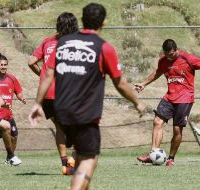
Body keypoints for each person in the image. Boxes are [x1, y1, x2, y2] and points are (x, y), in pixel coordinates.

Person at [29, 3, 145, 190]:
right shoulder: (103, 47)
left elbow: (48, 73)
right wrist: (137, 102)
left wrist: (37, 103)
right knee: (90, 159)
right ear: (104, 21)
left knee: (82, 158)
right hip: (84, 112)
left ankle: (70, 168)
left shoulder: (63, 44)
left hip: (61, 109)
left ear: (82, 20)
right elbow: (120, 83)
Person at [135, 39, 200, 166]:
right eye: (166, 55)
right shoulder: (163, 60)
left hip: (185, 98)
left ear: (176, 50)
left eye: (171, 55)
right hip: (169, 97)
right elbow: (158, 72)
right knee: (157, 122)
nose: (169, 57)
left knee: (177, 129)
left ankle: (171, 158)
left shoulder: (188, 58)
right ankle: (153, 154)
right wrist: (143, 84)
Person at [28, 12, 79, 175]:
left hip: (48, 94)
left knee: (60, 128)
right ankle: (73, 161)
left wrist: (43, 77)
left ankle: (65, 164)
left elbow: (31, 62)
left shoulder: (47, 41)